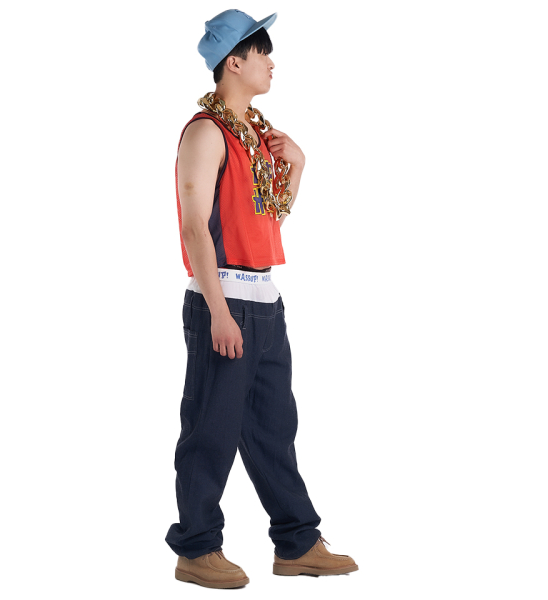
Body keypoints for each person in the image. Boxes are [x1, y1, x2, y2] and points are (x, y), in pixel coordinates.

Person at [165, 9, 359, 589]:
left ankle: (297, 542)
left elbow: (267, 219)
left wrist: (296, 166)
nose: (271, 63)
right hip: (224, 298)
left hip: (265, 300)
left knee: (274, 428)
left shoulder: (255, 136)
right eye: (262, 52)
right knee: (211, 428)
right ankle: (197, 549)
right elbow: (195, 227)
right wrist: (219, 311)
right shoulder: (206, 132)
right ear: (234, 62)